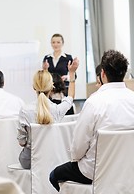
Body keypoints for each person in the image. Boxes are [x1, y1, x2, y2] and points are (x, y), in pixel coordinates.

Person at [49, 49, 134, 192]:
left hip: (94, 171)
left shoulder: (94, 102)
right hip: (129, 168)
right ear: (124, 73)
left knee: (54, 175)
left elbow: (77, 150)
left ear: (103, 74)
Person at [17, 57, 79, 169]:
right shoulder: (57, 109)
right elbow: (70, 97)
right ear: (52, 87)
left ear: (33, 87)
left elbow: (21, 142)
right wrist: (72, 73)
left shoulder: (24, 110)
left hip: (29, 161)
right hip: (54, 158)